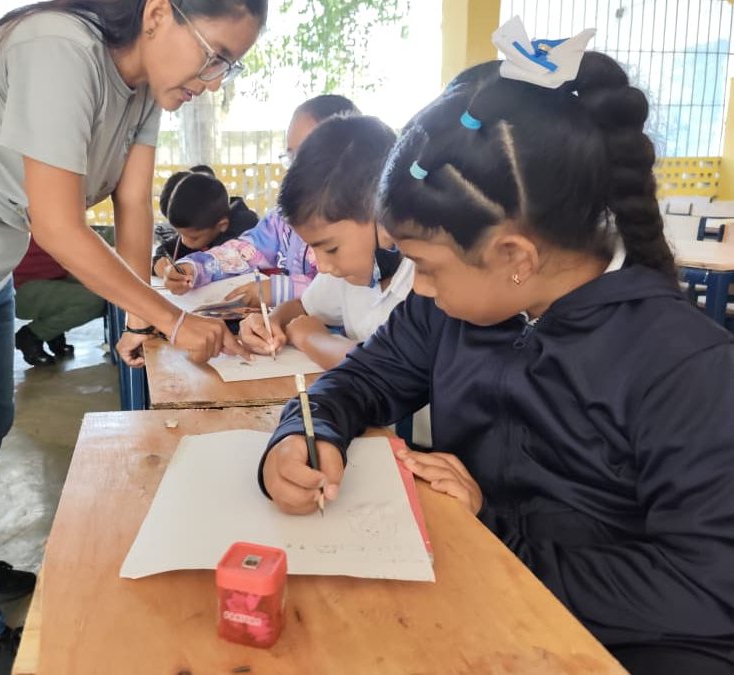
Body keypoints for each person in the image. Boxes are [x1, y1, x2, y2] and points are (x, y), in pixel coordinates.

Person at [258, 44, 734, 675]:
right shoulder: (450, 312)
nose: (419, 288)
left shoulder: (686, 366)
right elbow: (364, 378)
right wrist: (303, 432)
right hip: (478, 610)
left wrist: (491, 537)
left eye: (426, 266)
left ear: (515, 258)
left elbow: (705, 591)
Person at [0, 1, 264, 672]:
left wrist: (139, 320)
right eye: (214, 57)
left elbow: (133, 205)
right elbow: (58, 227)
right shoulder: (61, 49)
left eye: (228, 68)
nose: (212, 82)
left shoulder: (144, 87)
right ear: (157, 13)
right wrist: (175, 319)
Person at [238, 115, 413, 370]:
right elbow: (303, 307)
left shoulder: (423, 277)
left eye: (331, 249)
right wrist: (272, 322)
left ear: (384, 214)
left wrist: (314, 339)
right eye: (313, 248)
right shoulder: (348, 272)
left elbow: (392, 368)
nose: (322, 266)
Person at [163, 94, 359, 306]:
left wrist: (279, 290)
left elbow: (348, 289)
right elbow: (245, 252)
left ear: (350, 160)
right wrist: (195, 268)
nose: (295, 168)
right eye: (291, 157)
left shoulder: (361, 222)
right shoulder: (283, 219)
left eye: (306, 156)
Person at [13, 239, 106, 366]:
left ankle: (52, 333)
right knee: (96, 300)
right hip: (20, 288)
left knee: (106, 289)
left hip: (49, 277)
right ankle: (31, 335)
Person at [152, 169, 258, 277]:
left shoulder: (245, 229)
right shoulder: (201, 228)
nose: (184, 241)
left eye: (193, 237)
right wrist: (159, 262)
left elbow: (222, 260)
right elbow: (167, 249)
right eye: (180, 234)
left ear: (222, 225)